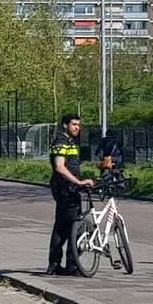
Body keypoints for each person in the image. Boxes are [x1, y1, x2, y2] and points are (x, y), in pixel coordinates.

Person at [48, 114, 95, 276]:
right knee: (75, 226)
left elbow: (72, 165)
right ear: (65, 125)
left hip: (68, 188)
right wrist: (79, 182)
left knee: (61, 227)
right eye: (74, 124)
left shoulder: (71, 143)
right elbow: (60, 167)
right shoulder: (61, 142)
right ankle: (72, 265)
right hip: (65, 189)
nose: (77, 127)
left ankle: (54, 264)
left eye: (78, 125)